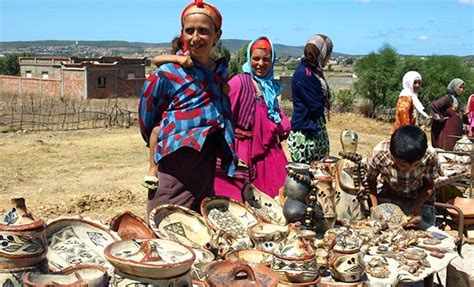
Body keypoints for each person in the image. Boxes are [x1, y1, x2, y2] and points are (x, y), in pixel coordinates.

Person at [138, 0, 237, 215]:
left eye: (203, 31)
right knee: (167, 221)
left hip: (206, 162)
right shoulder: (168, 73)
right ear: (182, 33)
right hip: (175, 163)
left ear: (216, 36)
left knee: (198, 224)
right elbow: (147, 115)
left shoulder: (219, 74)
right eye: (189, 31)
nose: (195, 38)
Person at [214, 36, 291, 200]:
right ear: (249, 59)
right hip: (243, 151)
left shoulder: (269, 86)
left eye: (266, 59)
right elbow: (223, 116)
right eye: (256, 59)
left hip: (269, 155)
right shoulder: (239, 83)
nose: (260, 64)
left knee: (276, 200)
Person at [141, 37, 193, 190]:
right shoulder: (175, 61)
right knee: (157, 131)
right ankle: (153, 167)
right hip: (171, 112)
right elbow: (156, 60)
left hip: (191, 113)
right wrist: (179, 59)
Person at [365, 125, 442, 225]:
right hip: (390, 194)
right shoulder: (379, 153)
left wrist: (417, 206)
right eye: (402, 165)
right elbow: (371, 181)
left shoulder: (430, 155)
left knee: (423, 227)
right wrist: (375, 210)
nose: (409, 170)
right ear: (392, 155)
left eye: (416, 165)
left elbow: (429, 184)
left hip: (419, 196)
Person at [288, 34, 333, 164]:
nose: (329, 58)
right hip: (305, 136)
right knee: (306, 178)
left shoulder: (313, 71)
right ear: (321, 53)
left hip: (314, 130)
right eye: (328, 53)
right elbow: (316, 107)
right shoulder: (304, 74)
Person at [430, 78, 466, 151]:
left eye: (463, 88)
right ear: (454, 87)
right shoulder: (447, 99)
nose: (461, 90)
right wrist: (440, 118)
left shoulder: (457, 100)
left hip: (456, 133)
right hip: (448, 132)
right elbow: (433, 106)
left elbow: (458, 114)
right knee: (447, 152)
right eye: (460, 87)